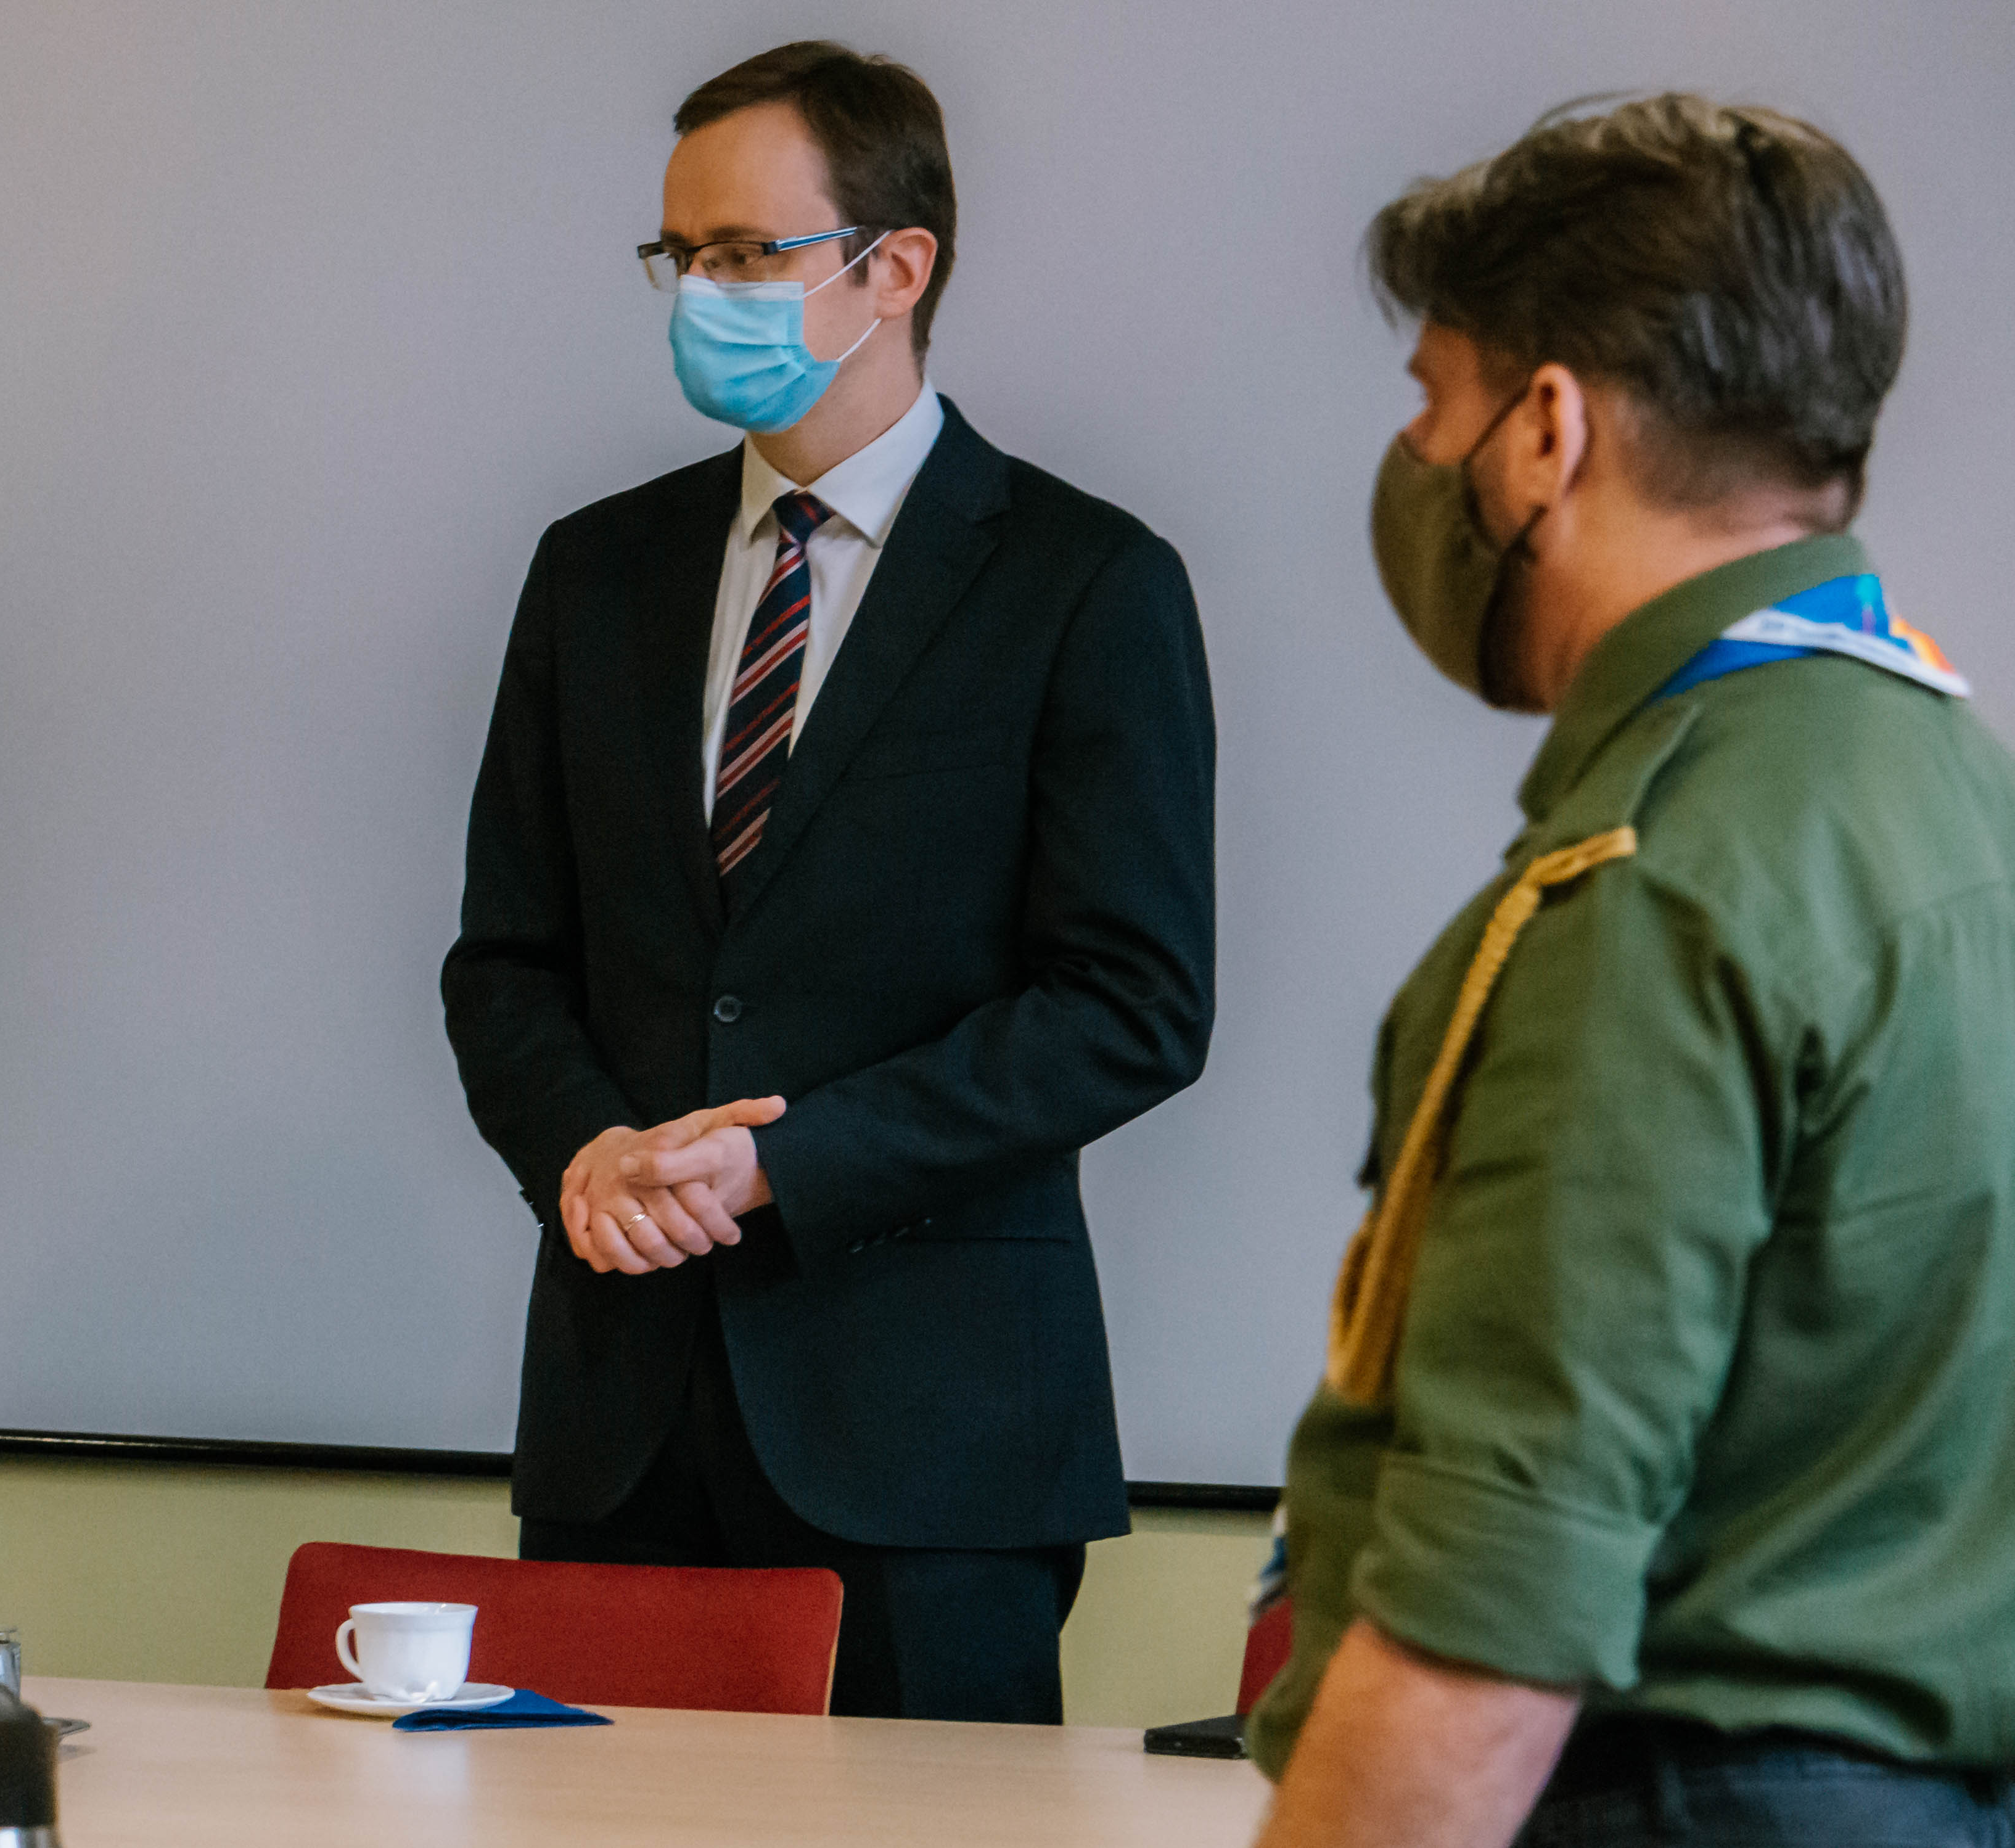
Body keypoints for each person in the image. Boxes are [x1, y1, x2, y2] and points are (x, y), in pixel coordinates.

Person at [1249, 96, 2015, 1847]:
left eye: (1429, 400)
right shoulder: (1955, 801)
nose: (1413, 455)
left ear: (1542, 431)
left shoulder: (1650, 885)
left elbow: (1485, 1627)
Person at [440, 41, 1214, 1722]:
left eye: (744, 252)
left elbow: (1130, 1004)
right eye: (678, 255)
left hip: (932, 1437)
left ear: (894, 267)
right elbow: (504, 958)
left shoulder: (1084, 581)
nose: (699, 295)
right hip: (618, 1413)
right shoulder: (593, 570)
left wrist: (783, 1163)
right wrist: (585, 1151)